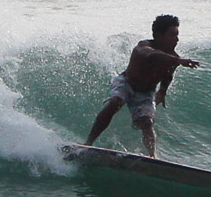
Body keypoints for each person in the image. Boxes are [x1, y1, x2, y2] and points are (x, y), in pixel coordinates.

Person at [83, 14, 201, 158]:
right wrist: (178, 60)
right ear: (158, 35)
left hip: (146, 93)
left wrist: (163, 91)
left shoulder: (173, 58)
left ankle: (152, 156)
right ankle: (87, 143)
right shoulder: (144, 46)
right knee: (115, 103)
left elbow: (168, 74)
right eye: (172, 35)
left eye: (177, 35)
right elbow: (151, 55)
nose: (176, 39)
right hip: (126, 83)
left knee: (147, 123)